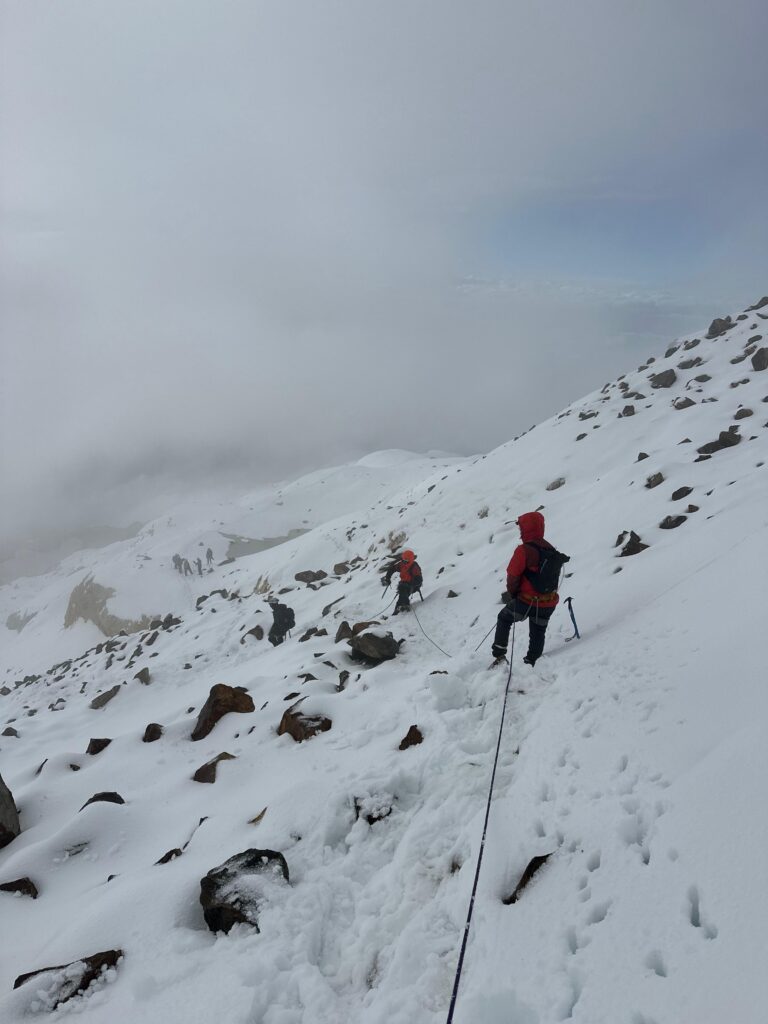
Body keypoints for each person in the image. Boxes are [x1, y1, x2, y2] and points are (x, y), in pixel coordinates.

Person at [491, 512, 568, 667]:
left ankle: (499, 654)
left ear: (526, 528)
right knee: (538, 631)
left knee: (504, 618)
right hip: (548, 603)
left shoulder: (524, 550)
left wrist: (513, 594)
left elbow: (512, 575)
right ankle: (531, 661)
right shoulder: (550, 549)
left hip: (527, 601)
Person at [382, 549, 423, 614]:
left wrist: (410, 584)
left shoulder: (414, 567)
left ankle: (400, 608)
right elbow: (392, 569)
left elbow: (419, 580)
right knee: (402, 590)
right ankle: (403, 606)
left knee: (403, 591)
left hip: (414, 586)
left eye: (406, 560)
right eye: (403, 560)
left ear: (410, 560)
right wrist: (388, 578)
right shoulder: (401, 564)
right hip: (404, 584)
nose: (404, 561)